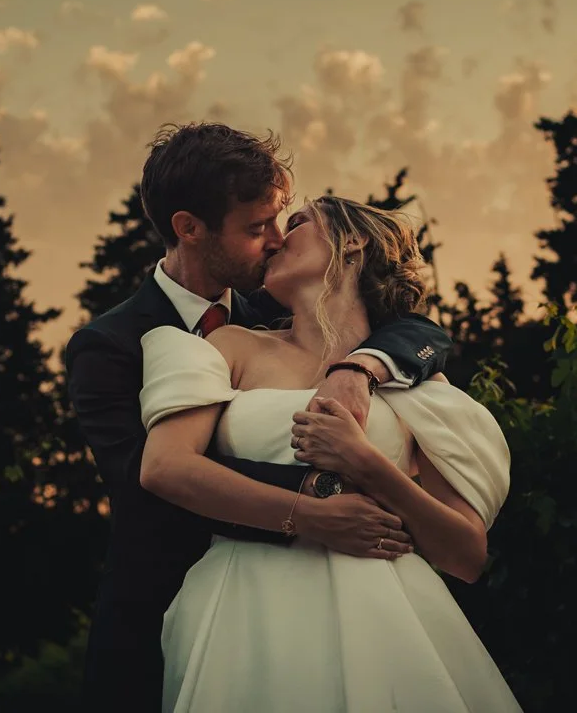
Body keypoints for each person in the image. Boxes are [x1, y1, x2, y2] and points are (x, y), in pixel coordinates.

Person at [65, 123, 454, 712]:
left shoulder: (279, 302)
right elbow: (151, 487)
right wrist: (321, 499)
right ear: (189, 229)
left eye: (280, 219)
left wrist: (362, 365)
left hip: (316, 613)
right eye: (257, 228)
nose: (277, 239)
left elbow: (420, 328)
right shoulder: (110, 345)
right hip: (163, 617)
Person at [139, 194, 520, 711]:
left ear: (354, 241)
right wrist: (309, 515)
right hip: (243, 606)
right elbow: (166, 467)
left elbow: (466, 556)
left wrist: (366, 463)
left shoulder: (416, 382)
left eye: (296, 223)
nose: (275, 239)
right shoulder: (231, 346)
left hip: (386, 617)